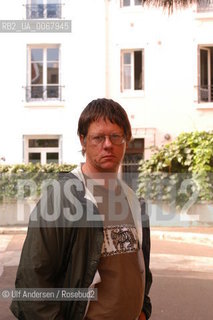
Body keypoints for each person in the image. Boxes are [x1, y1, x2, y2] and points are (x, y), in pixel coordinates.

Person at [10, 98, 152, 320]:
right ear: (83, 141)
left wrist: (144, 309)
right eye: (98, 137)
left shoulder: (133, 200)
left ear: (126, 140)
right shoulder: (62, 198)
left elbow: (139, 266)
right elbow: (32, 283)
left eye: (116, 136)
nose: (108, 144)